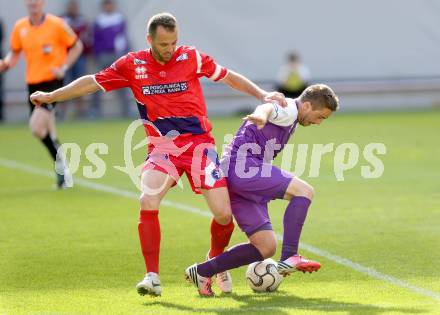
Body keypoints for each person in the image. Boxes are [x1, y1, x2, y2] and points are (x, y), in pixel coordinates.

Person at [29, 12, 287, 297]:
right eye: (164, 44)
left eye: (173, 42)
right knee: (147, 199)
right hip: (163, 149)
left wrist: (262, 95)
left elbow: (227, 77)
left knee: (224, 215)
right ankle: (152, 276)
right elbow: (91, 81)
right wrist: (52, 96)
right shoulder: (132, 64)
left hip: (200, 145)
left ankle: (213, 264)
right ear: (149, 39)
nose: (169, 49)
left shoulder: (191, 57)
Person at [185, 84, 339, 296]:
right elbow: (267, 109)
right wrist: (260, 114)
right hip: (244, 168)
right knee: (304, 191)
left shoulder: (292, 115)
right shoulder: (289, 110)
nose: (319, 122)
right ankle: (289, 257)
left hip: (235, 176)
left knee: (265, 247)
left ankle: (202, 271)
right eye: (320, 116)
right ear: (307, 105)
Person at [0, 0, 83, 188]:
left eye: (36, 0)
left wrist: (64, 67)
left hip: (52, 83)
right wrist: (5, 64)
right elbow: (14, 54)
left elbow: (77, 46)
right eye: (30, 1)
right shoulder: (20, 27)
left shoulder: (57, 24)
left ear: (43, 2)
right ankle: (63, 170)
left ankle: (61, 165)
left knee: (37, 128)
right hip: (32, 85)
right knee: (45, 131)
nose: (33, 3)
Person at [91, 0, 129, 118]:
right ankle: (95, 110)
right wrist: (97, 54)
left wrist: (125, 52)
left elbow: (123, 37)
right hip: (103, 55)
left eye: (110, 4)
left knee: (122, 81)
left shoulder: (119, 19)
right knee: (97, 81)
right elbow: (95, 40)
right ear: (103, 6)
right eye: (106, 4)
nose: (109, 7)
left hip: (117, 55)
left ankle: (126, 110)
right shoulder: (99, 20)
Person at [60, 0, 91, 120]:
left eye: (75, 7)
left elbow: (86, 38)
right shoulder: (62, 21)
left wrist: (88, 53)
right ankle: (63, 113)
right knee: (64, 85)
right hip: (65, 57)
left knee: (80, 85)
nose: (73, 9)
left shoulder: (82, 21)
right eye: (71, 7)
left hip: (80, 57)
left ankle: (80, 112)